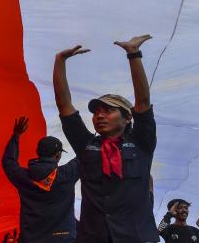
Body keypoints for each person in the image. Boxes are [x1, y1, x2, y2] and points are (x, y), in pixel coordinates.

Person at [53, 35, 158, 242]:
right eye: (96, 112)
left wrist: (133, 55)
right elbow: (64, 106)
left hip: (136, 237)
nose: (99, 115)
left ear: (127, 117)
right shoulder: (86, 145)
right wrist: (59, 62)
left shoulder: (141, 143)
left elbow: (143, 102)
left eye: (108, 110)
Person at [2, 117, 79, 242]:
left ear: (38, 152)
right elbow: (85, 156)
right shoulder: (67, 174)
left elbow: (8, 162)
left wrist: (16, 136)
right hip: (62, 239)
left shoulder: (23, 177)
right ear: (58, 155)